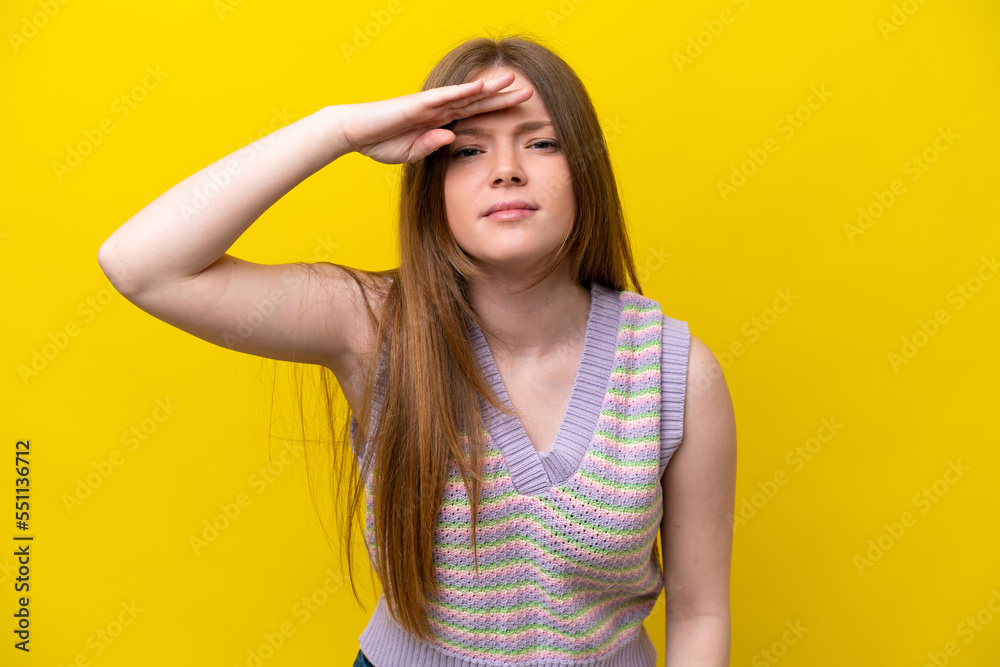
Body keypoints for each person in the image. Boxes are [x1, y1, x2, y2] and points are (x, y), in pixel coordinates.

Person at [98, 33, 736, 667]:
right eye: (467, 150)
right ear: (432, 185)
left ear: (587, 169)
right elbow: (141, 266)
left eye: (541, 142)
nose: (506, 169)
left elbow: (699, 612)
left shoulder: (676, 373)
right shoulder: (374, 327)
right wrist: (337, 130)